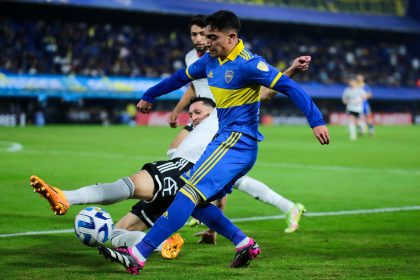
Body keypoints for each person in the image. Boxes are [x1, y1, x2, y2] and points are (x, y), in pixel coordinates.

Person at [99, 10, 329, 275]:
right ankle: (244, 243)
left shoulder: (249, 64)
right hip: (224, 140)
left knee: (185, 193)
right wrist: (150, 95)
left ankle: (138, 254)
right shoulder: (209, 61)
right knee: (195, 202)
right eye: (205, 36)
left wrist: (316, 120)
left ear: (231, 37)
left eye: (213, 37)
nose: (207, 42)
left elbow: (289, 86)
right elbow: (178, 78)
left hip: (238, 142)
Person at [167, 15, 310, 236]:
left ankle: (203, 216)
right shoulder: (193, 58)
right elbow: (193, 87)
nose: (199, 38)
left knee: (196, 165)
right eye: (194, 34)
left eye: (202, 34)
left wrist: (290, 70)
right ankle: (286, 207)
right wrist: (178, 110)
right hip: (200, 117)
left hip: (219, 117)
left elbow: (264, 91)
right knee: (180, 157)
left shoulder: (233, 58)